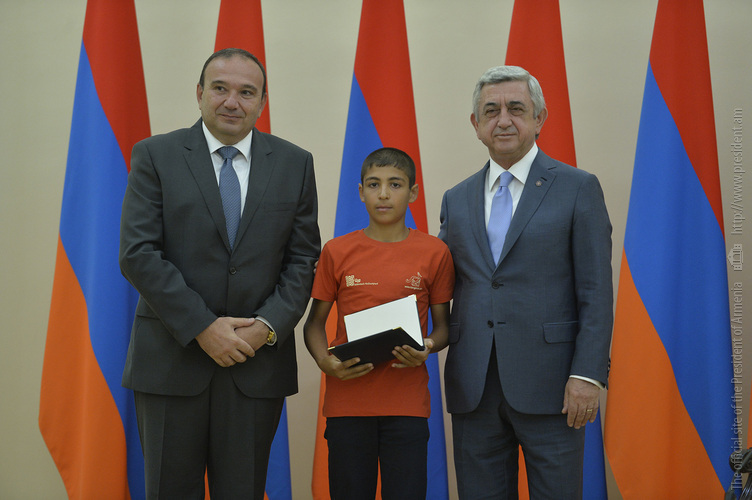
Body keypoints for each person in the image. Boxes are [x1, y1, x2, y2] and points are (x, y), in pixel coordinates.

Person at [119, 48, 320, 499]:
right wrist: (203, 328)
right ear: (199, 93)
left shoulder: (295, 163)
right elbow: (138, 253)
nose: (232, 101)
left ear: (262, 102)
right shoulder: (155, 155)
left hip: (255, 364)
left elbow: (304, 258)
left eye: (247, 92)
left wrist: (266, 327)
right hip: (171, 363)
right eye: (220, 88)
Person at [438, 65, 613, 499]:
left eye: (516, 109)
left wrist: (587, 375)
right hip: (474, 386)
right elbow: (437, 281)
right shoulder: (456, 198)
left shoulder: (577, 188)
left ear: (539, 118)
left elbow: (595, 292)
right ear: (475, 124)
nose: (503, 120)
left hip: (554, 386)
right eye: (491, 111)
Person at [303, 147, 455, 499]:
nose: (383, 194)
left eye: (395, 184)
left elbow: (444, 328)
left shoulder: (435, 252)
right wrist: (325, 361)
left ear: (413, 193)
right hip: (347, 403)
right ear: (361, 192)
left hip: (406, 405)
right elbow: (313, 324)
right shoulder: (337, 251)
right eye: (373, 184)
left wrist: (428, 346)